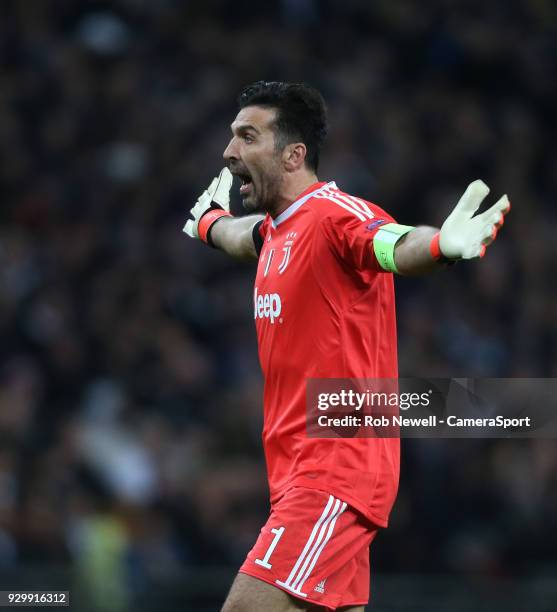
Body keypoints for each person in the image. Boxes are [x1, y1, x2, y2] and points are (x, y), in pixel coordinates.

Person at [183, 81, 510, 612]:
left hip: (333, 467)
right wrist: (211, 224)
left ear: (293, 155)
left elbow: (390, 243)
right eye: (231, 137)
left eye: (247, 137)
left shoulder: (335, 214)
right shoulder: (274, 231)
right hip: (296, 476)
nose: (229, 152)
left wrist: (437, 247)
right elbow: (242, 238)